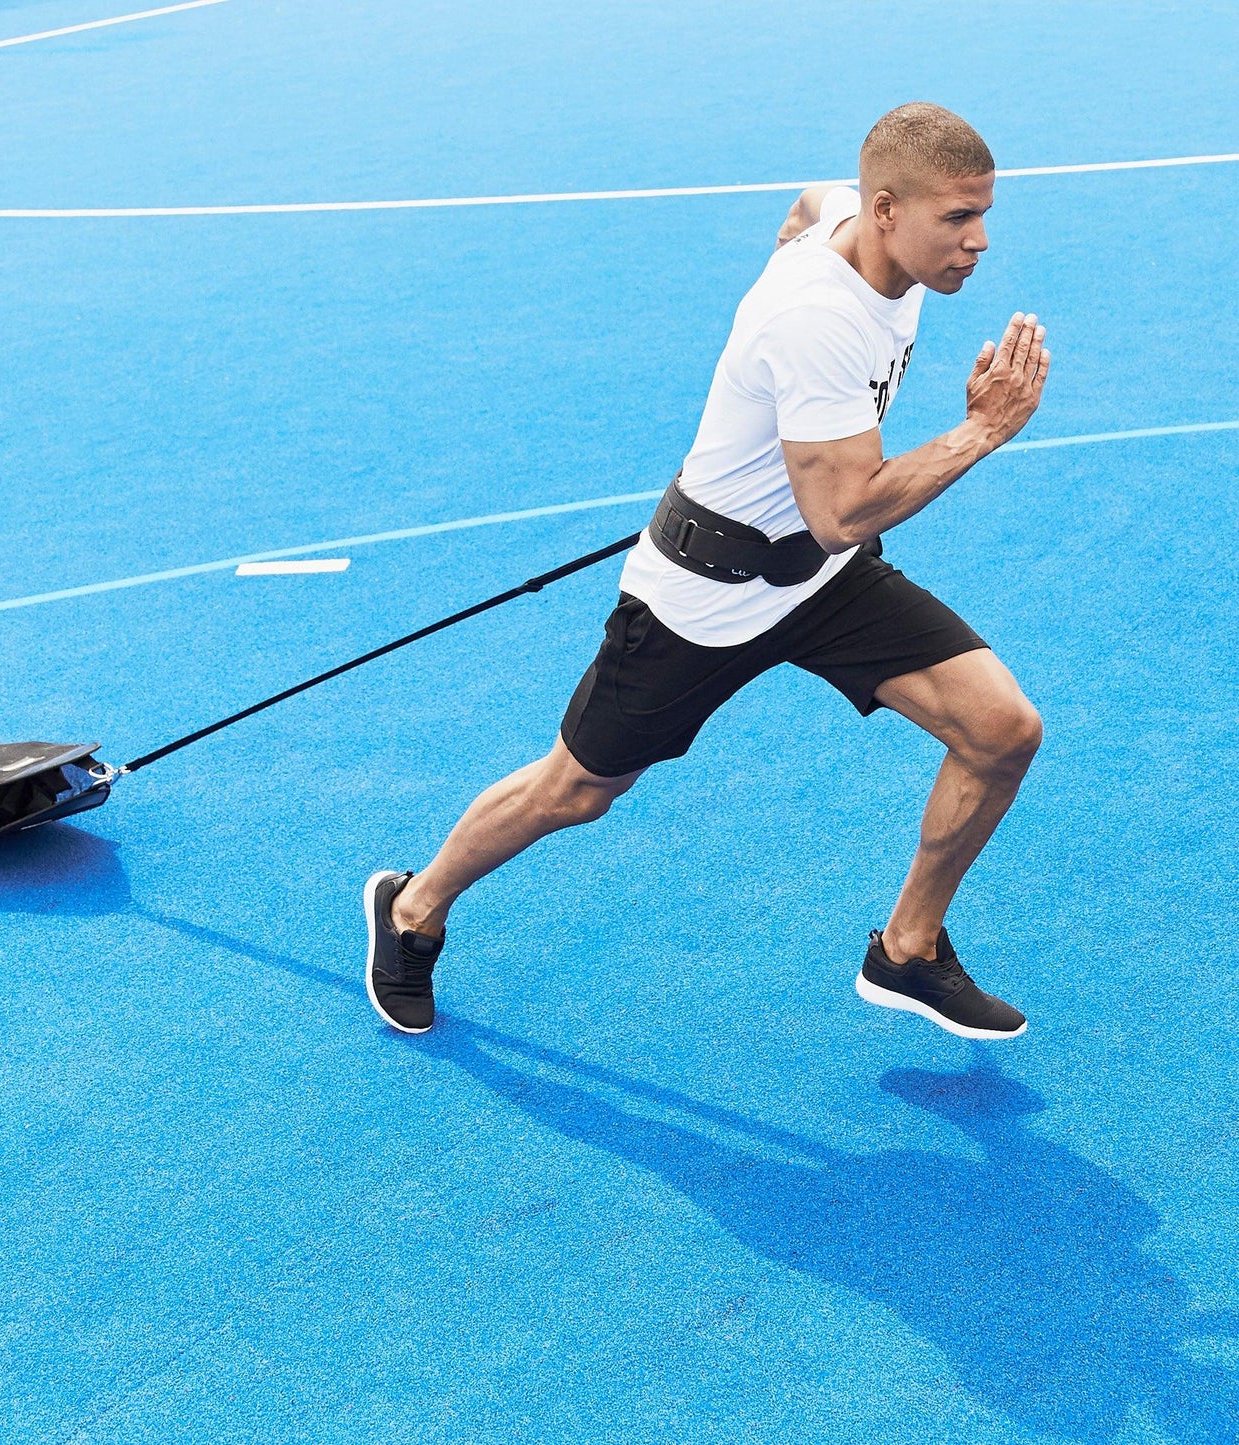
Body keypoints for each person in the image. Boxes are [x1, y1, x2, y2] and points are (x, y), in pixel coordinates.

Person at [364, 102, 1051, 1041]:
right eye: (957, 219)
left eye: (982, 215)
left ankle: (906, 950)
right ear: (888, 210)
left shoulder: (869, 230)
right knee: (575, 789)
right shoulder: (817, 320)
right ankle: (411, 905)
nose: (978, 242)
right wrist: (980, 431)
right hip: (706, 597)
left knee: (1000, 729)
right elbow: (845, 509)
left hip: (817, 581)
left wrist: (793, 232)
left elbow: (812, 201)